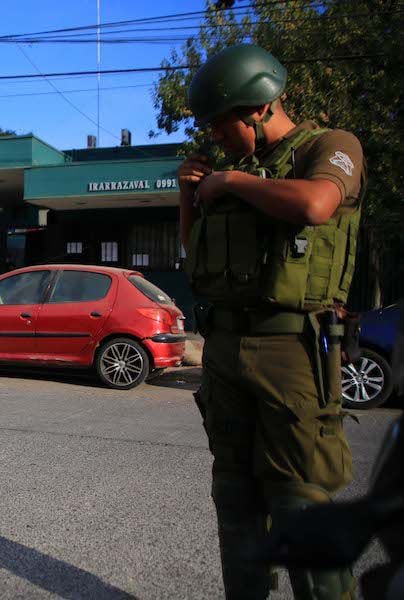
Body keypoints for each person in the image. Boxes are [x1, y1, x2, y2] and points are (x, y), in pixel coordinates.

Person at [178, 44, 366, 599]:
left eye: (218, 123)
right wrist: (189, 199)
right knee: (234, 497)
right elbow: (197, 258)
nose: (213, 136)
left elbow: (316, 205)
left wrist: (232, 184)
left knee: (298, 501)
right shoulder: (229, 169)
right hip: (226, 349)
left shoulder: (330, 147)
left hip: (292, 353)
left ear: (258, 108)